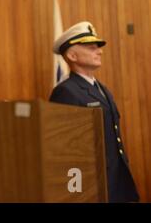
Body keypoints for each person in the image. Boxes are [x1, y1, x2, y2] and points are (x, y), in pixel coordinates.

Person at [49, 21, 139, 202]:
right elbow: (65, 149)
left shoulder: (103, 89)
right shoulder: (65, 92)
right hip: (93, 185)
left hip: (116, 181)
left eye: (97, 47)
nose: (100, 51)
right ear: (72, 55)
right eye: (91, 47)